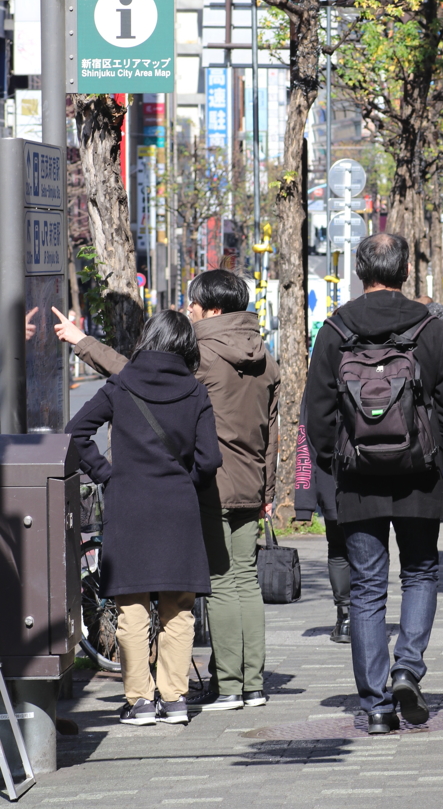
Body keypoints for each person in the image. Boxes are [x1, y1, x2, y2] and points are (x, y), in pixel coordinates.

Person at [54, 269, 280, 711]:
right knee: (241, 581)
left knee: (195, 586)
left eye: (194, 304)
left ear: (213, 308)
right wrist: (267, 487)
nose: (190, 311)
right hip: (247, 482)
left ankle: (212, 688)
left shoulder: (205, 357)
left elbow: (135, 378)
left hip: (204, 488)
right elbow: (272, 430)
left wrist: (82, 341)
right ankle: (246, 684)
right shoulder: (265, 359)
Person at [305, 233, 443, 735]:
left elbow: (317, 414)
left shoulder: (335, 328)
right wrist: (437, 455)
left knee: (367, 590)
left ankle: (376, 707)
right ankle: (407, 669)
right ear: (404, 272)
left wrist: (339, 462)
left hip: (358, 479)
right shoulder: (430, 327)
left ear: (360, 270)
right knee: (419, 572)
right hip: (418, 474)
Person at [66, 311, 222, 725]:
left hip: (129, 506)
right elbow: (209, 460)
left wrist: (105, 473)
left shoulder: (121, 384)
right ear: (187, 347)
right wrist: (182, 480)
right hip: (178, 508)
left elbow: (77, 430)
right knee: (179, 607)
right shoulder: (195, 391)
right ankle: (174, 699)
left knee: (130, 607)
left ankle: (139, 702)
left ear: (147, 340)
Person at [295, 392, 350, 643]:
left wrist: (304, 502)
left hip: (332, 475)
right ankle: (369, 615)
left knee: (338, 549)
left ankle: (347, 618)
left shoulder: (323, 365)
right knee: (372, 549)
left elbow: (305, 435)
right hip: (376, 470)